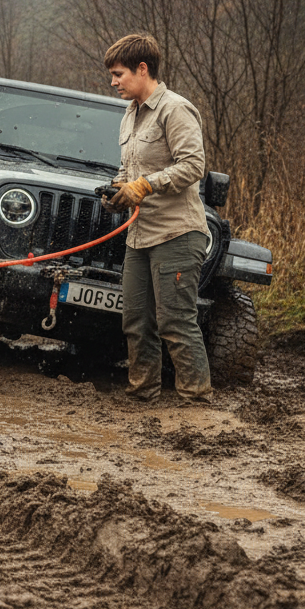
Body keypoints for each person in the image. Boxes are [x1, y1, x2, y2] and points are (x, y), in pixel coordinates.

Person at [102, 33, 212, 404]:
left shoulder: (175, 109)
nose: (113, 82)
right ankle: (142, 394)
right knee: (136, 320)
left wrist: (146, 185)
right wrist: (118, 192)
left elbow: (193, 166)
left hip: (177, 234)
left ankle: (197, 405)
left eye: (118, 74)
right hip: (140, 236)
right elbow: (128, 169)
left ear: (142, 69)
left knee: (176, 322)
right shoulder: (129, 114)